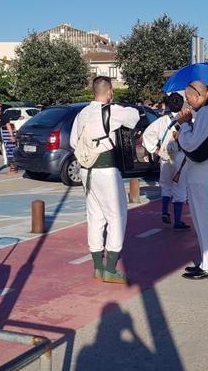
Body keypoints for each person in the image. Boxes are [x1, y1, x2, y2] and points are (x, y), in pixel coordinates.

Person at [70, 76, 140, 284]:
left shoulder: (82, 113)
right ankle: (110, 268)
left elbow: (74, 141)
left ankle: (98, 267)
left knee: (95, 217)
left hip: (86, 170)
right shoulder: (112, 110)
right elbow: (135, 116)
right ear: (109, 91)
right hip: (107, 170)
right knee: (117, 217)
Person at [177, 81, 208, 280]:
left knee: (203, 218)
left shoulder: (207, 113)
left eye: (188, 99)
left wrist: (184, 125)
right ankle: (207, 262)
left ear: (198, 95)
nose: (188, 104)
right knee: (201, 219)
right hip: (204, 170)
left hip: (201, 171)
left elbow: (191, 143)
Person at [142, 93, 190, 230]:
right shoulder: (185, 121)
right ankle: (178, 221)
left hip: (165, 157)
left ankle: (164, 211)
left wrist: (155, 150)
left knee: (166, 185)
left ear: (168, 104)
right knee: (179, 188)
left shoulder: (162, 120)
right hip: (180, 157)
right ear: (182, 105)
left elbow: (147, 134)